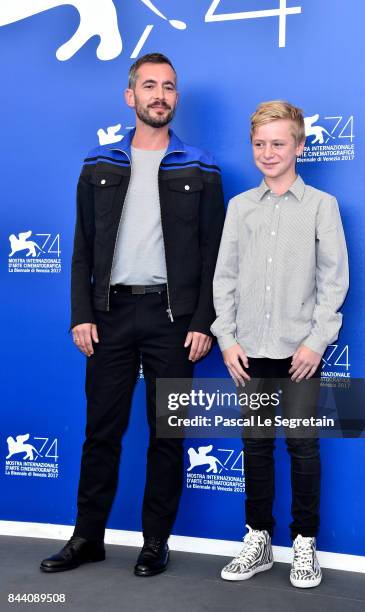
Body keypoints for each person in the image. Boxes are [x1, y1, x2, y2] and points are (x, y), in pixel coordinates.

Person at [40, 53, 225, 576]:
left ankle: (154, 542)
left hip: (174, 318)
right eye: (149, 86)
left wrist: (201, 321)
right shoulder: (98, 163)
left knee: (167, 435)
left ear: (176, 97)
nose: (159, 95)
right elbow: (82, 247)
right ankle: (87, 538)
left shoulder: (202, 166)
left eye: (168, 86)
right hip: (111, 313)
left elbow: (215, 254)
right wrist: (82, 312)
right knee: (101, 431)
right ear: (131, 97)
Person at [211, 100, 349, 588]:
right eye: (260, 144)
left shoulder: (321, 207)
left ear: (299, 146)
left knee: (303, 447)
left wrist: (315, 342)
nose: (269, 152)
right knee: (255, 448)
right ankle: (259, 540)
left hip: (299, 355)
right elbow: (224, 276)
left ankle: (304, 545)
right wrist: (226, 339)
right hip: (249, 352)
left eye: (279, 143)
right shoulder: (240, 207)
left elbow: (334, 282)